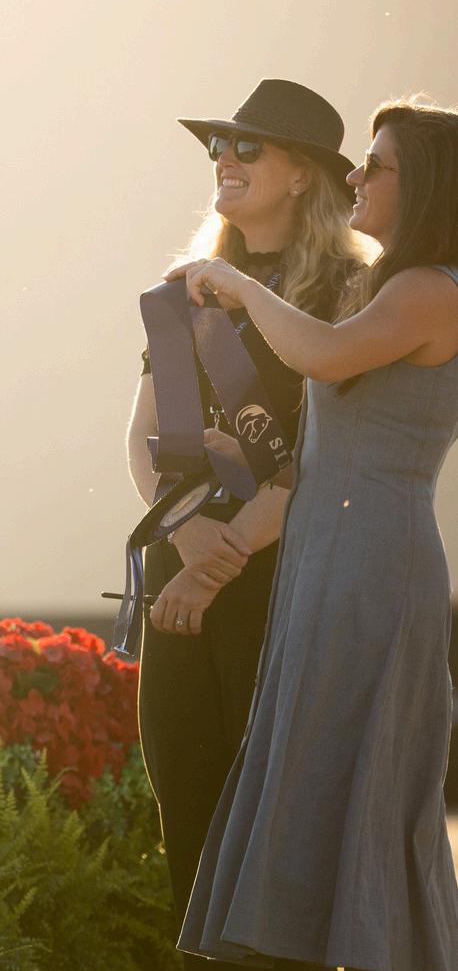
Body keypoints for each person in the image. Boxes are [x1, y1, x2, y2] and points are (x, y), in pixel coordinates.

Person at [178, 97, 458, 968]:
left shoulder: (430, 289)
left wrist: (237, 285)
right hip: (330, 555)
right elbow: (339, 422)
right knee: (315, 769)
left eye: (376, 165)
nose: (356, 177)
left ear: (426, 185)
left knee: (347, 775)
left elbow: (323, 357)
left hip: (371, 562)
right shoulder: (396, 287)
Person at [120, 79, 366, 926]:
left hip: (280, 575)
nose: (224, 158)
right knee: (185, 800)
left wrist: (216, 564)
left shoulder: (350, 294)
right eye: (219, 145)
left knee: (274, 815)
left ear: (302, 175)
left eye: (248, 147)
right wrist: (187, 540)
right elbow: (141, 437)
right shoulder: (183, 292)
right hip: (180, 562)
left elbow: (329, 456)